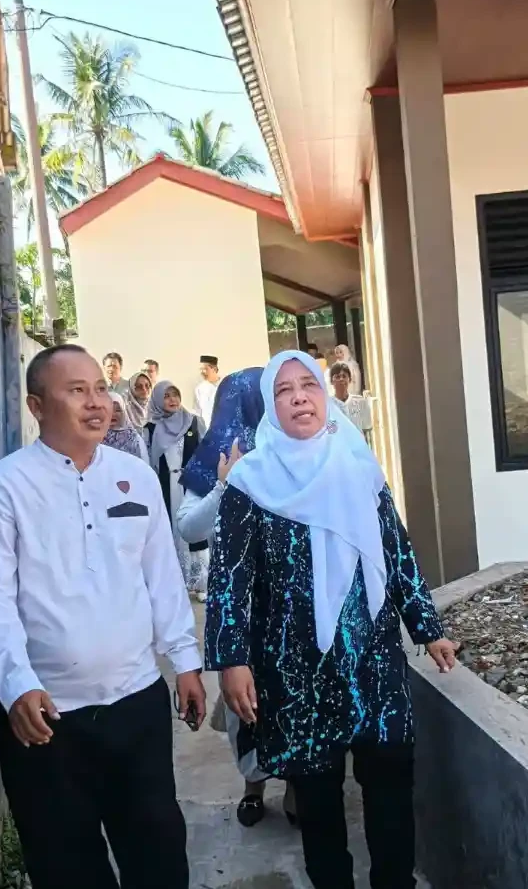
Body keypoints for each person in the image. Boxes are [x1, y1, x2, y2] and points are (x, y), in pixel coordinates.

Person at [205, 349, 457, 889]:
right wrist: (232, 661)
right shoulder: (250, 482)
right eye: (284, 390)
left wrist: (427, 627)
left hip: (374, 662)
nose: (299, 396)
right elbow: (229, 580)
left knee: (390, 787)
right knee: (317, 807)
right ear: (270, 408)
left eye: (309, 385)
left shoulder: (359, 466)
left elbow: (396, 552)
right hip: (296, 673)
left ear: (325, 395)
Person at [0, 344, 205, 889]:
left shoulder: (135, 476)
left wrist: (185, 660)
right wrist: (16, 684)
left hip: (136, 704)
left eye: (100, 388)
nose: (96, 403)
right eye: (76, 391)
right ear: (36, 405)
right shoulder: (5, 487)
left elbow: (161, 576)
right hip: (48, 721)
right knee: (67, 866)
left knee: (159, 856)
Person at [175, 368, 298, 829]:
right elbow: (190, 528)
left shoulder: (297, 448)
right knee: (246, 706)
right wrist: (227, 483)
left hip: (291, 606)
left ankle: (294, 786)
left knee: (290, 702)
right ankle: (253, 787)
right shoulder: (217, 454)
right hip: (241, 610)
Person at [145, 380, 208, 598]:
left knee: (195, 528)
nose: (172, 400)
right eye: (166, 395)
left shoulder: (193, 422)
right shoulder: (151, 429)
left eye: (175, 394)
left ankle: (201, 583)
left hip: (191, 486)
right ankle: (177, 582)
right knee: (168, 530)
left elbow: (205, 452)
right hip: (165, 488)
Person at [328, 363, 373, 447]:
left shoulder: (360, 402)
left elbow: (367, 430)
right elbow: (330, 433)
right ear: (331, 381)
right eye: (337, 377)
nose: (341, 379)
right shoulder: (327, 406)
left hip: (358, 451)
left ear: (350, 379)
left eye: (344, 376)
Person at [103, 392, 147, 460]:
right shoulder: (95, 435)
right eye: (109, 409)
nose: (113, 414)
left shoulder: (134, 438)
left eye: (117, 410)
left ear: (124, 412)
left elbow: (144, 464)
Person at [194, 355, 221, 426]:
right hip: (205, 429)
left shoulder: (224, 385)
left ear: (214, 369)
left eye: (205, 369)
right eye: (201, 369)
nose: (203, 372)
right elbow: (197, 412)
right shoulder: (200, 388)